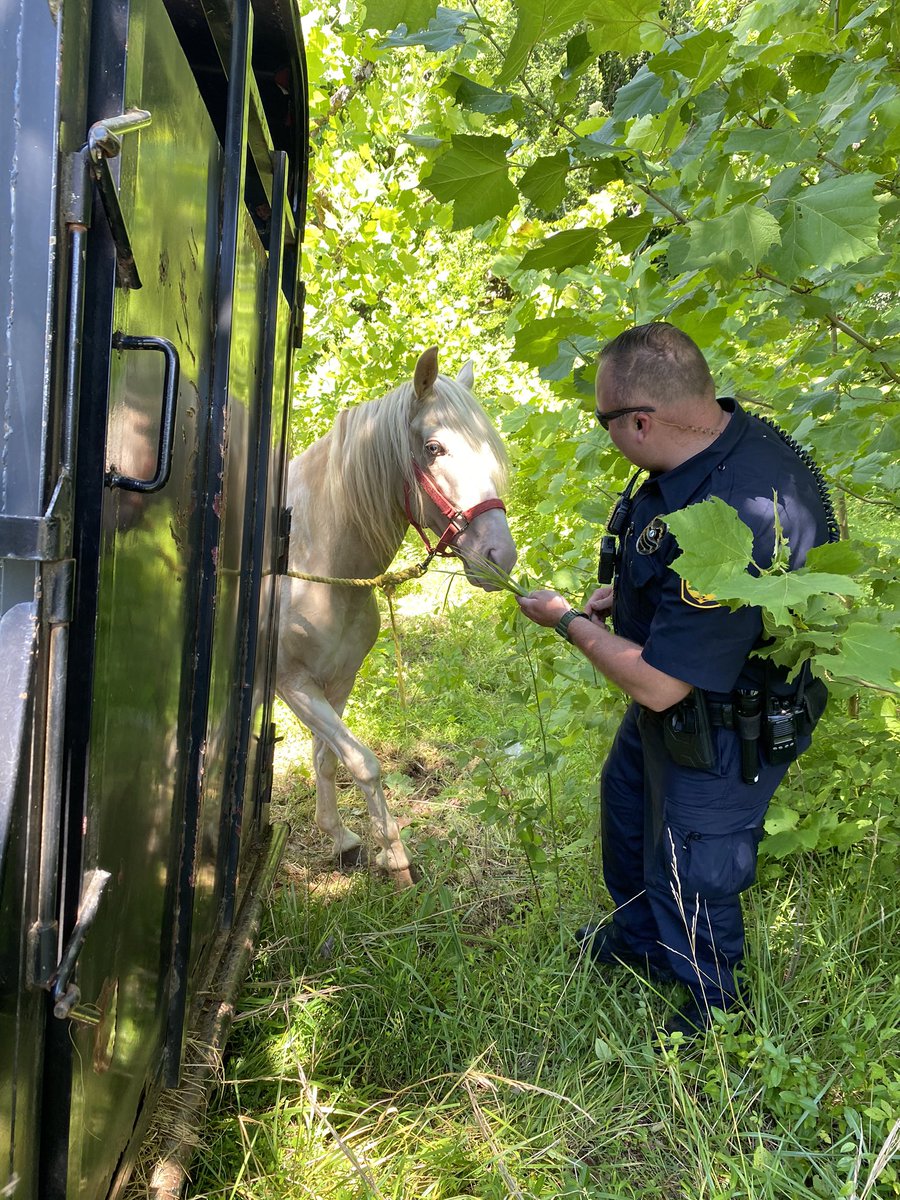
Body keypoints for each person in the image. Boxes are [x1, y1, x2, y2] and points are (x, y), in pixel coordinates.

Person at [516, 322, 835, 1037]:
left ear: (640, 420)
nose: (607, 436)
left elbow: (663, 684)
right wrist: (622, 602)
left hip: (724, 723)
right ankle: (639, 944)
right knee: (628, 806)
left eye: (604, 422)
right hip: (684, 700)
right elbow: (670, 574)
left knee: (696, 861)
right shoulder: (715, 447)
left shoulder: (740, 517)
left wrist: (569, 621)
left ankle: (712, 1014)